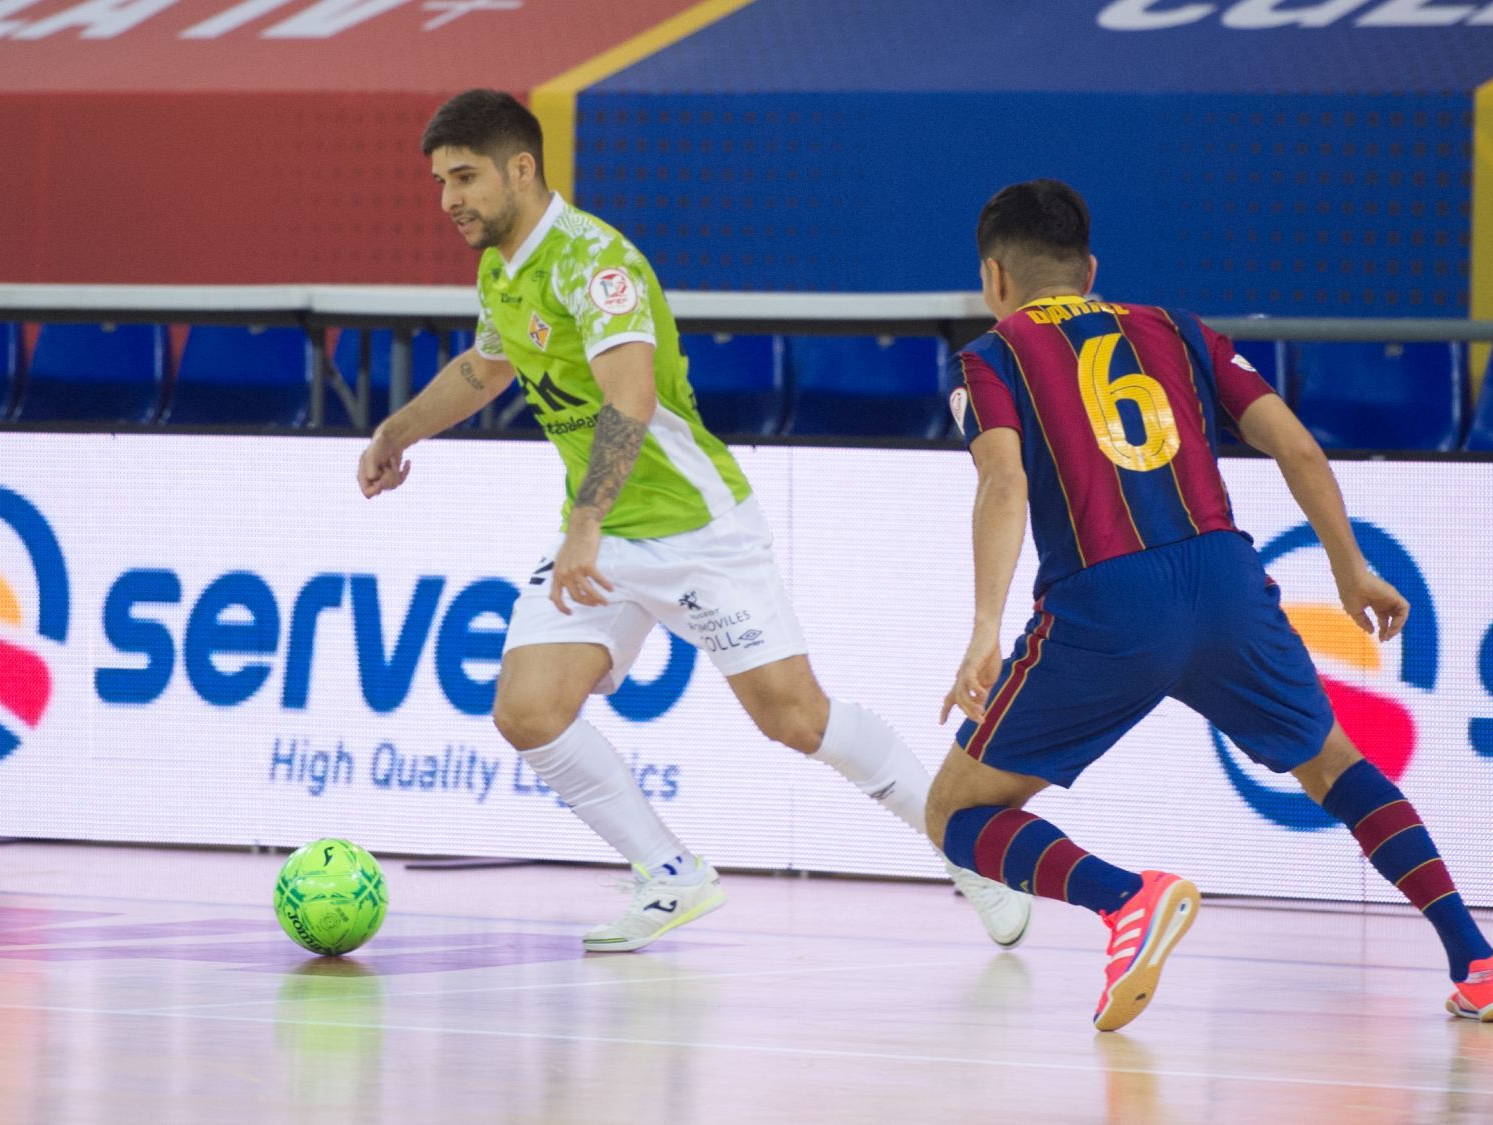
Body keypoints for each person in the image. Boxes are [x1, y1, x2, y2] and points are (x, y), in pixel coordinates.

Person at [355, 89, 1030, 952]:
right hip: (602, 536)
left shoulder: (594, 262)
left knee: (797, 720)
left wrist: (586, 521)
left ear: (521, 168)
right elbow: (485, 370)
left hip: (693, 527)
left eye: (464, 176)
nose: (449, 198)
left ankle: (966, 847)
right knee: (526, 709)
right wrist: (396, 431)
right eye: (440, 181)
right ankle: (670, 875)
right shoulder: (502, 268)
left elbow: (631, 400)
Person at [926, 179, 1493, 1031]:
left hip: (1107, 597)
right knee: (1336, 765)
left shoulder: (992, 355)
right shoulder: (1178, 329)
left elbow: (1002, 483)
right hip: (1225, 581)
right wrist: (1350, 566)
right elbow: (1295, 444)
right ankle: (1479, 957)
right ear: (1091, 268)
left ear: (994, 278)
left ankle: (1126, 899)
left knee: (955, 809)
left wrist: (985, 627)